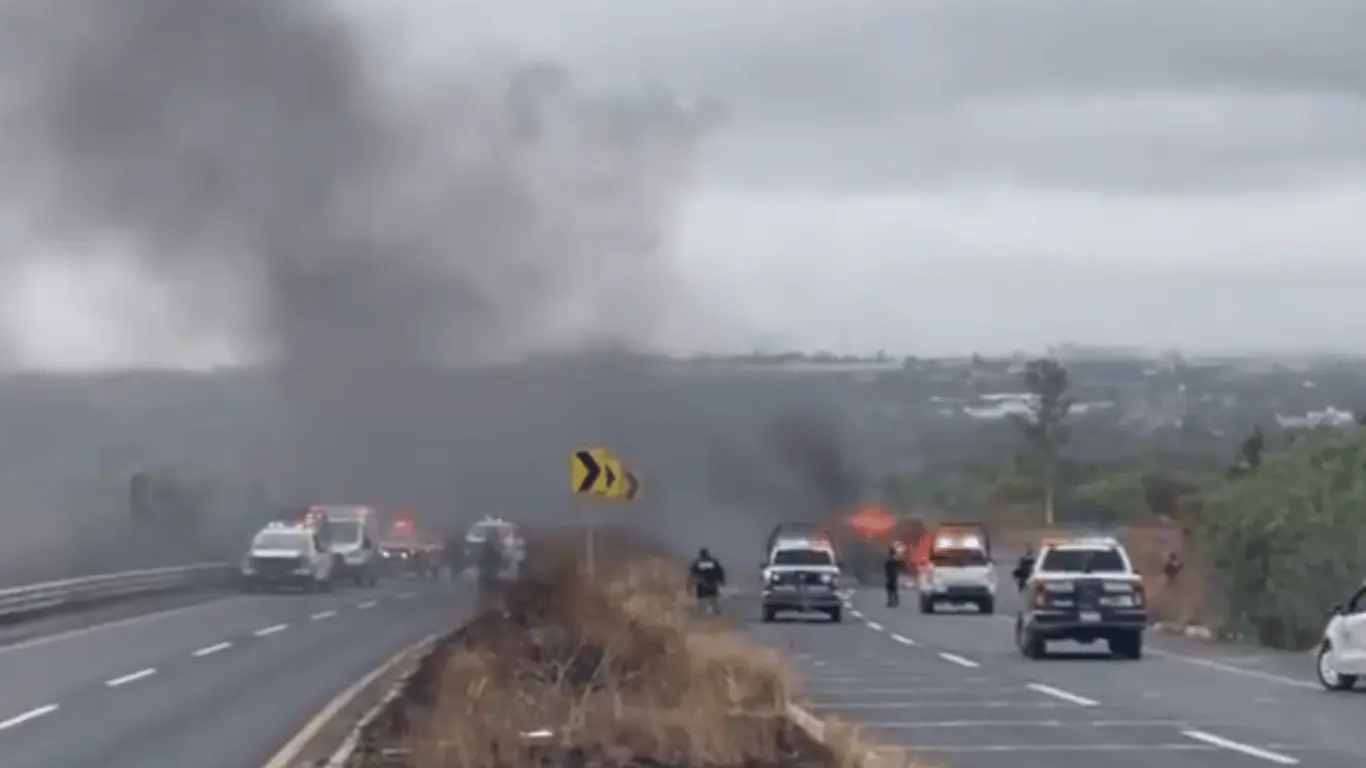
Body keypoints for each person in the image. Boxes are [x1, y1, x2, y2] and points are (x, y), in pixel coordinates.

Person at [688, 547, 726, 614]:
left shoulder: (697, 563)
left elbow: (692, 574)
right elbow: (721, 572)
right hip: (712, 584)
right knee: (714, 601)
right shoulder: (713, 562)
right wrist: (721, 581)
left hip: (701, 584)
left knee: (701, 602)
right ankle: (717, 615)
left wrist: (689, 586)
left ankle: (701, 615)